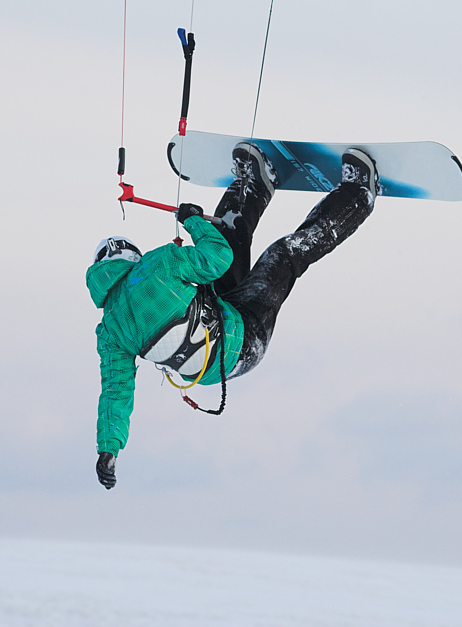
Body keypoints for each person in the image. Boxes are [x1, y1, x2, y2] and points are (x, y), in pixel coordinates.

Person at [86, 143, 378, 489]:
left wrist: (109, 449)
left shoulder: (110, 332)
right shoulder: (157, 264)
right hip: (242, 336)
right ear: (130, 255)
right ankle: (357, 196)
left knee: (236, 251)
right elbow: (218, 257)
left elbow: (115, 392)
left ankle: (257, 182)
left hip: (225, 352)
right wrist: (194, 221)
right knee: (281, 256)